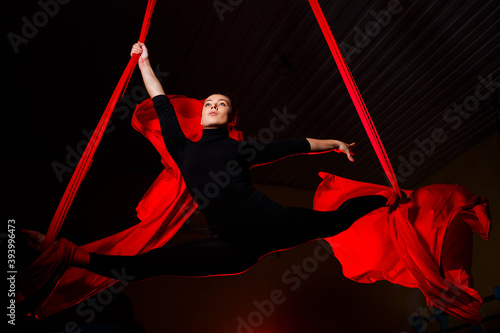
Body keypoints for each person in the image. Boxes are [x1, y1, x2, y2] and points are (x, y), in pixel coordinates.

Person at [21, 43, 391, 291]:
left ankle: (391, 199)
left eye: (222, 104)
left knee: (339, 220)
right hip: (232, 249)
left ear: (231, 118)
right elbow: (161, 102)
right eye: (209, 102)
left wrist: (335, 144)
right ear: (200, 113)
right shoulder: (183, 149)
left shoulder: (241, 148)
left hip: (274, 223)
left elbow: (294, 146)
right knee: (148, 265)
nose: (213, 105)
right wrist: (144, 62)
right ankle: (69, 254)